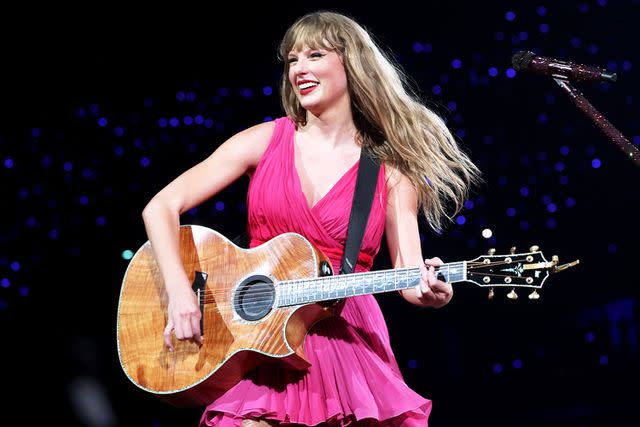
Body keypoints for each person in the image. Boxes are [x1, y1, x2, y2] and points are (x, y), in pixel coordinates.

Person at [141, 10, 481, 427]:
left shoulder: (391, 170)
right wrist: (179, 294)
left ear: (351, 64)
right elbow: (160, 206)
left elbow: (408, 272)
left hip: (343, 337)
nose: (299, 69)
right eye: (292, 60)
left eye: (314, 55)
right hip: (261, 335)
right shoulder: (263, 140)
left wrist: (430, 290)